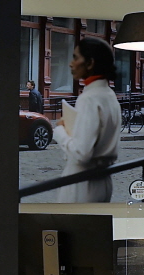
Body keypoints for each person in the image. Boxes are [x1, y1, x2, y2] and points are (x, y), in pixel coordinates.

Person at [48, 35, 122, 203]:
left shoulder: (89, 98)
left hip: (82, 183)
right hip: (103, 180)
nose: (71, 63)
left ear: (90, 63)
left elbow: (81, 153)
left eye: (76, 57)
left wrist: (60, 132)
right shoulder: (109, 95)